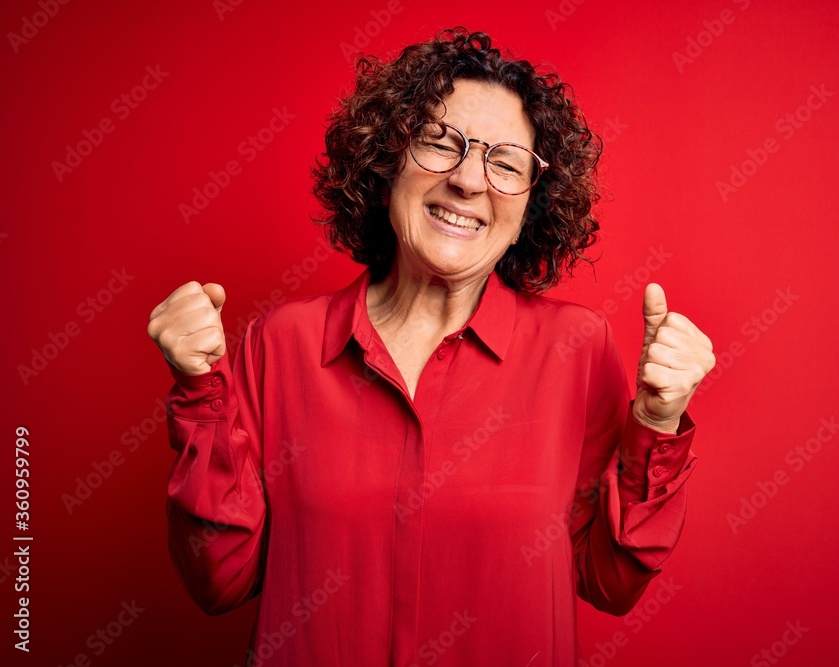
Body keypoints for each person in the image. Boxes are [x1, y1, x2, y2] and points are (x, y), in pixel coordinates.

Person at [147, 27, 715, 667]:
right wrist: (200, 395)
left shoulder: (577, 350)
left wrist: (658, 422)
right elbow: (217, 581)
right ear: (387, 162)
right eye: (440, 143)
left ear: (532, 201)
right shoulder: (281, 343)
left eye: (504, 162)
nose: (470, 180)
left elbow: (610, 583)